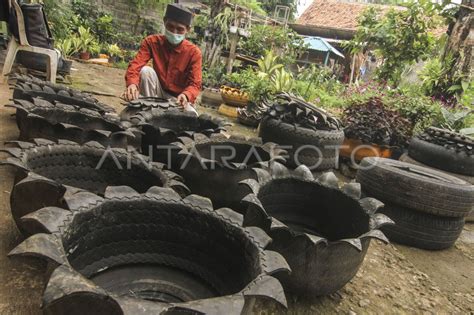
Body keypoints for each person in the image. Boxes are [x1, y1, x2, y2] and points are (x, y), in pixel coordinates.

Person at [122, 4, 202, 113]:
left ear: (188, 29)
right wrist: (132, 84)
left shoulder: (194, 53)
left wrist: (186, 95)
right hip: (156, 93)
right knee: (146, 71)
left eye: (180, 29)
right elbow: (136, 65)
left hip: (178, 99)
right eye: (170, 26)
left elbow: (195, 84)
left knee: (192, 117)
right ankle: (147, 111)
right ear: (164, 22)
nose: (174, 32)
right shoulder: (151, 42)